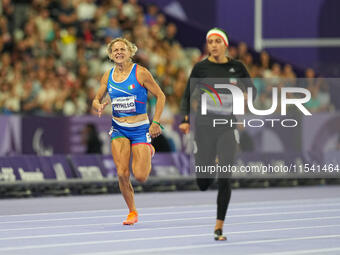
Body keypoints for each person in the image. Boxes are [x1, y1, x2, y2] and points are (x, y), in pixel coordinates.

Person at [179, 28, 256, 241]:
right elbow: (186, 96)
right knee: (203, 183)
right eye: (210, 42)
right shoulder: (201, 68)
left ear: (225, 45)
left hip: (228, 126)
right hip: (204, 128)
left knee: (225, 176)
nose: (213, 45)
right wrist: (185, 120)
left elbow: (253, 90)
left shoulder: (237, 67)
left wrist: (248, 99)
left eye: (217, 41)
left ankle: (219, 227)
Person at [92, 37, 165, 225]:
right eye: (115, 50)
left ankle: (148, 148)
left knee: (140, 176)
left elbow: (160, 96)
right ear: (110, 54)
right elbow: (96, 98)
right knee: (122, 173)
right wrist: (97, 104)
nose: (118, 52)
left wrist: (156, 122)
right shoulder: (107, 76)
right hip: (119, 128)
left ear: (130, 51)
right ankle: (132, 211)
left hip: (140, 129)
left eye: (122, 49)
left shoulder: (141, 73)